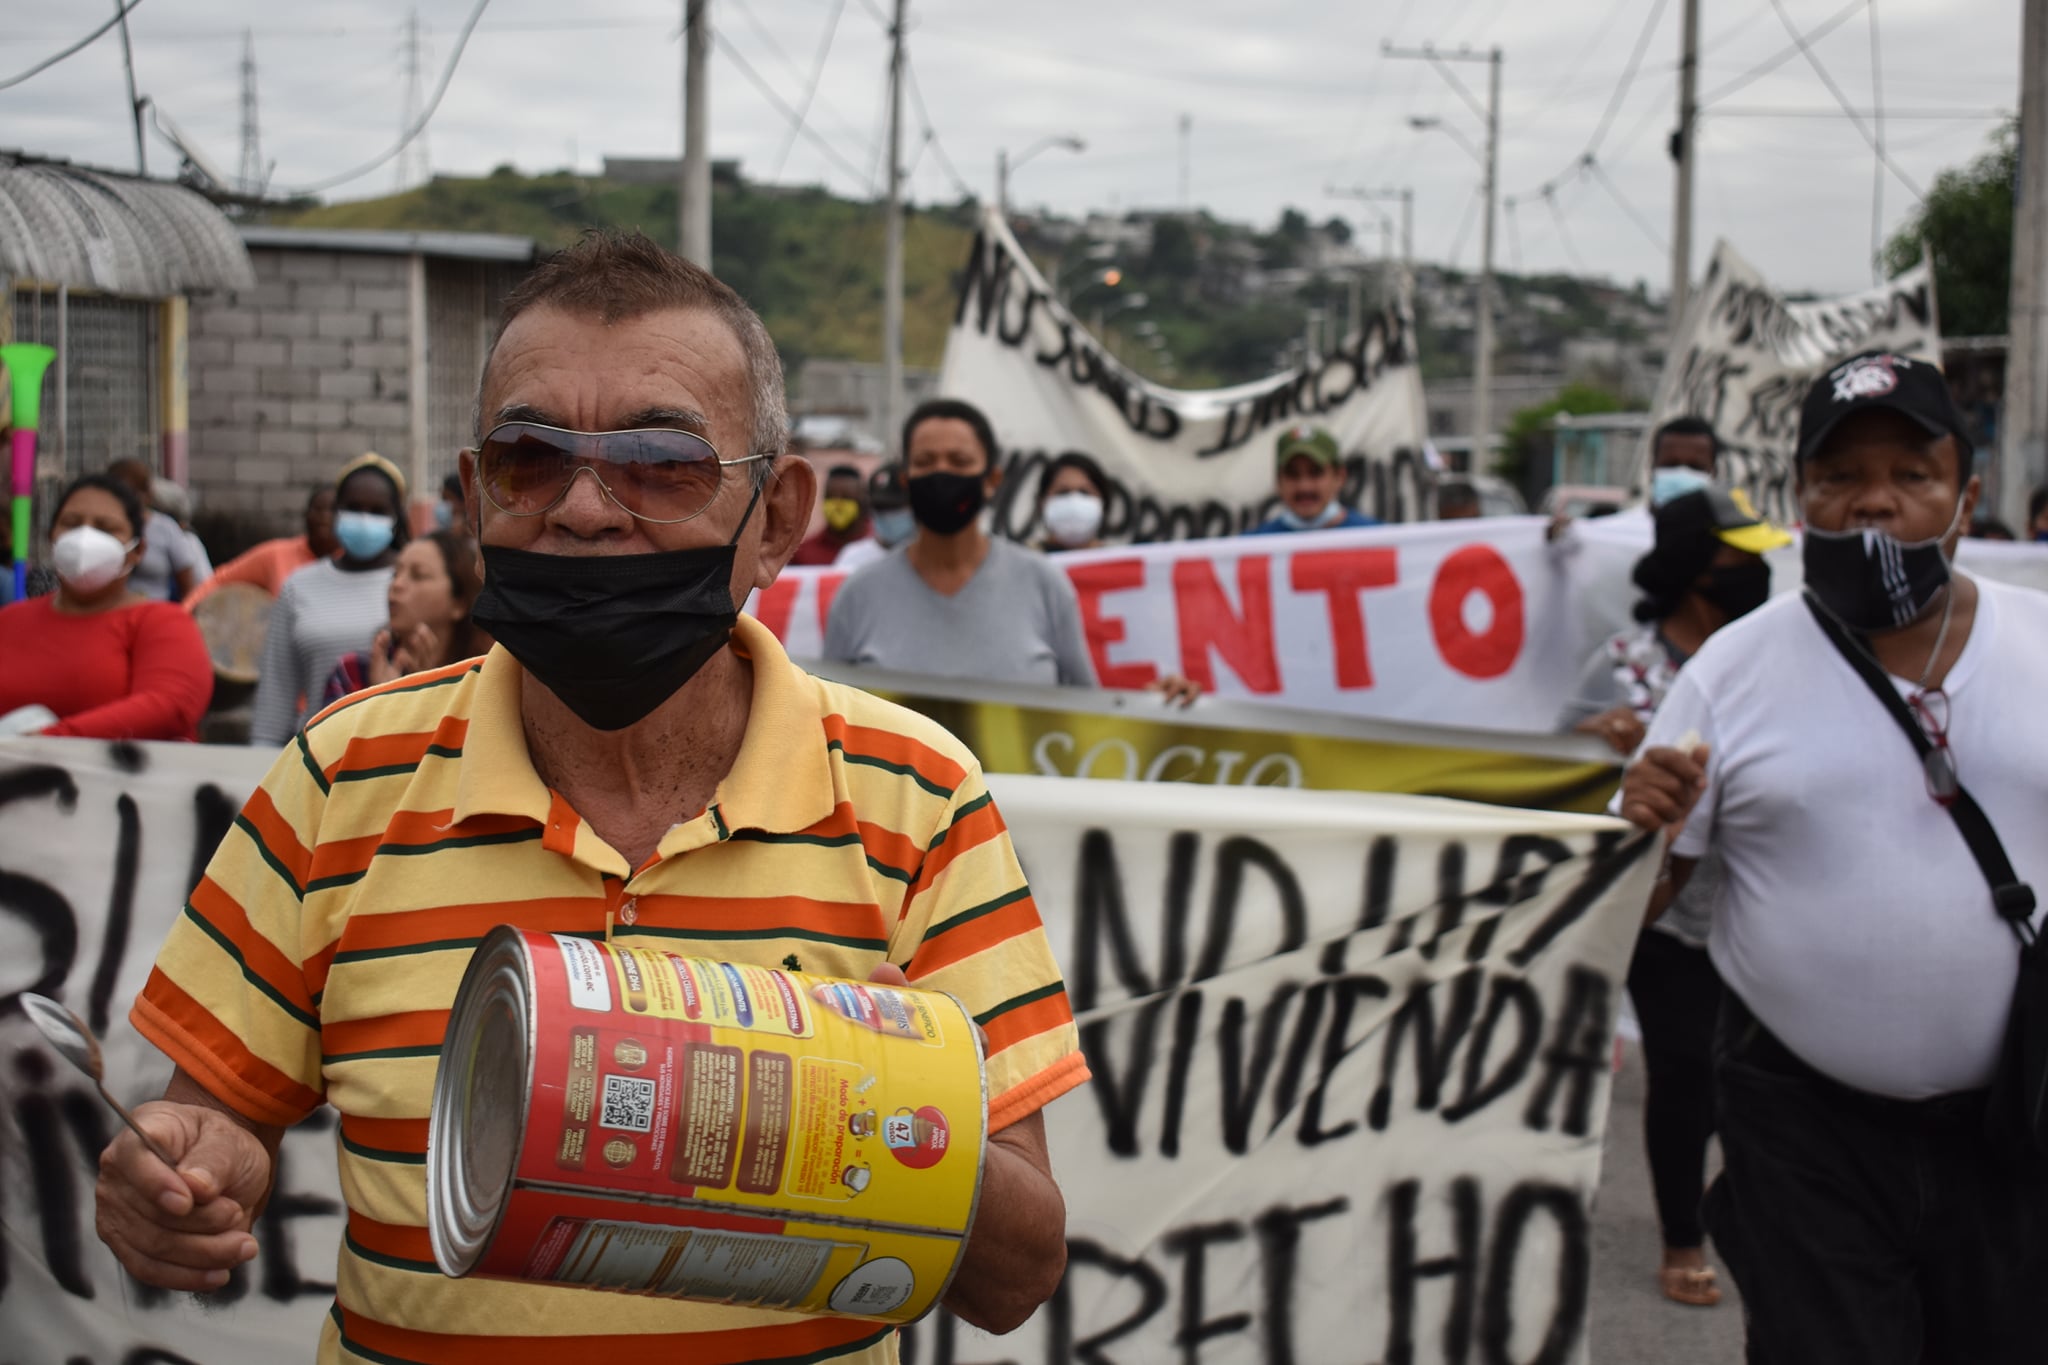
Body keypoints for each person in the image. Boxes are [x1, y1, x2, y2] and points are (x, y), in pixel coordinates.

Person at [98, 230, 1083, 1365]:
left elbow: (1018, 1274)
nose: (581, 508)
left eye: (659, 463)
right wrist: (181, 1166)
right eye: (528, 457)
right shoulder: (337, 779)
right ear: (473, 496)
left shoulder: (919, 799)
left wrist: (798, 1101)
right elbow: (217, 1118)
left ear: (775, 517)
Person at [1619, 350, 2048, 1364]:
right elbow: (1632, 903)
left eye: (1910, 475)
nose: (1873, 504)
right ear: (1797, 496)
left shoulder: (2041, 646)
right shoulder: (1730, 672)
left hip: (2015, 1129)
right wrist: (1643, 837)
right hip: (1802, 1131)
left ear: (1964, 495)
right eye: (1838, 478)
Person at [1558, 485, 1790, 1309]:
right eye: (1740, 558)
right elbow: (1543, 754)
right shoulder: (1622, 663)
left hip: (1755, 908)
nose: (1756, 572)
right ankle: (1682, 1237)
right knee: (1685, 1065)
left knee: (1747, 1079)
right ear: (1698, 568)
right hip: (1664, 915)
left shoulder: (1772, 660)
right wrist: (1600, 737)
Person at [825, 398, 1096, 686]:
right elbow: (827, 718)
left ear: (992, 480)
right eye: (925, 462)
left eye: (960, 462)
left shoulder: (1046, 587)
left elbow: (1091, 717)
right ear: (906, 481)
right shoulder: (857, 596)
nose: (941, 473)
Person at [0, 473, 212, 739]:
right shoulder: (11, 620)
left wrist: (49, 740)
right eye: (71, 523)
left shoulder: (161, 622)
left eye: (106, 528)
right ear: (52, 536)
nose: (85, 537)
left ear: (137, 550)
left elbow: (170, 706)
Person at [246, 454, 409, 747]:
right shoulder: (299, 586)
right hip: (318, 757)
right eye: (353, 508)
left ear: (397, 518)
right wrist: (261, 756)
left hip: (397, 751)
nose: (363, 519)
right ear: (336, 512)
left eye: (377, 511)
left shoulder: (413, 583)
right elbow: (277, 691)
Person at [320, 528, 487, 704]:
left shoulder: (484, 676)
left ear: (459, 603)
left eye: (418, 575)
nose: (397, 584)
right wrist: (383, 702)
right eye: (395, 573)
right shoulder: (353, 672)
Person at [183, 487, 339, 610]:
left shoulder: (355, 560)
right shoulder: (276, 555)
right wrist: (182, 617)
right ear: (305, 515)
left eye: (332, 511)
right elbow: (219, 580)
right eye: (317, 510)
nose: (323, 517)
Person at [1243, 425, 1380, 534]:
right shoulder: (1250, 549)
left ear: (1339, 477)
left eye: (1316, 473)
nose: (1304, 486)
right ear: (1278, 481)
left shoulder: (1378, 540)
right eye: (1293, 474)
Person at [108, 459, 206, 601]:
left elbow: (189, 585)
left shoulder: (165, 529)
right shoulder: (101, 528)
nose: (125, 501)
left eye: (132, 493)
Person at [834, 463, 911, 570]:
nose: (887, 515)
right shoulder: (852, 558)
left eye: (894, 507)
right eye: (880, 508)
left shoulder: (930, 556)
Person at [793, 463, 869, 565]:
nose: (837, 504)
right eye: (830, 497)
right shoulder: (804, 553)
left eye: (846, 497)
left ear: (861, 500)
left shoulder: (877, 546)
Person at [1035, 452, 1112, 551]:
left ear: (1103, 503)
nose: (1074, 501)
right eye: (1063, 492)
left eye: (1084, 493)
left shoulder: (1120, 562)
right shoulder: (1021, 561)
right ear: (1042, 502)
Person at [1645, 415, 1719, 506]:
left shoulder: (1734, 520)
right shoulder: (1625, 520)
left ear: (1714, 474)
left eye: (1695, 467)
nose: (1682, 473)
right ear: (1652, 468)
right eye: (1671, 465)